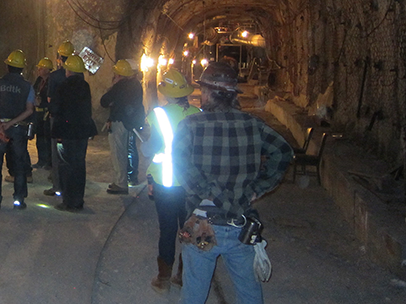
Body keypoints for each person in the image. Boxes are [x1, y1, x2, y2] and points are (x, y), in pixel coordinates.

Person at [173, 61, 293, 304]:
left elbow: (181, 163)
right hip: (241, 225)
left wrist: (207, 191)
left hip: (202, 226)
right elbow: (282, 152)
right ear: (232, 94)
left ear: (208, 93)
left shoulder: (190, 126)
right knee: (249, 292)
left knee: (194, 292)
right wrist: (257, 188)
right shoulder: (253, 125)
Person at [141, 69, 200, 292]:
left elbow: (149, 149)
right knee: (189, 231)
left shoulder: (158, 115)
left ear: (165, 91)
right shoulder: (197, 112)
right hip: (192, 185)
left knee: (167, 231)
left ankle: (163, 279)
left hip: (165, 184)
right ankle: (183, 276)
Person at [0, 50, 35, 210]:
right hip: (18, 130)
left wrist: (0, 126)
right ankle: (19, 200)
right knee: (19, 166)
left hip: (0, 130)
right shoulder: (28, 87)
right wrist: (12, 123)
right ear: (22, 68)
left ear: (7, 66)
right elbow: (29, 110)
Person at [52, 55, 96, 212]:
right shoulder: (85, 86)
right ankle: (78, 200)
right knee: (79, 165)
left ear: (68, 70)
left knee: (66, 165)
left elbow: (56, 110)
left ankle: (68, 200)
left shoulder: (62, 87)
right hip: (82, 132)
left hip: (66, 132)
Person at [100, 59, 144, 195]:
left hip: (119, 123)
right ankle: (128, 178)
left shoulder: (121, 86)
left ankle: (120, 183)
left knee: (118, 153)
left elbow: (104, 101)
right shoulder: (136, 85)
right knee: (128, 151)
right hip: (130, 123)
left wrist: (113, 88)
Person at [44, 40, 74, 196]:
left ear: (59, 58)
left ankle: (57, 185)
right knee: (71, 152)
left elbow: (49, 99)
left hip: (57, 118)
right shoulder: (79, 74)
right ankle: (69, 183)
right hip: (73, 119)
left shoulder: (55, 76)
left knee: (56, 153)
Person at [31, 57, 53, 170]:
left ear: (47, 70)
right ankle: (41, 160)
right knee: (39, 137)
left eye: (41, 68)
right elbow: (34, 90)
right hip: (38, 113)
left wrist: (42, 102)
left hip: (46, 112)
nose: (39, 70)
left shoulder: (51, 82)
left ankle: (49, 162)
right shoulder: (39, 80)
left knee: (47, 138)